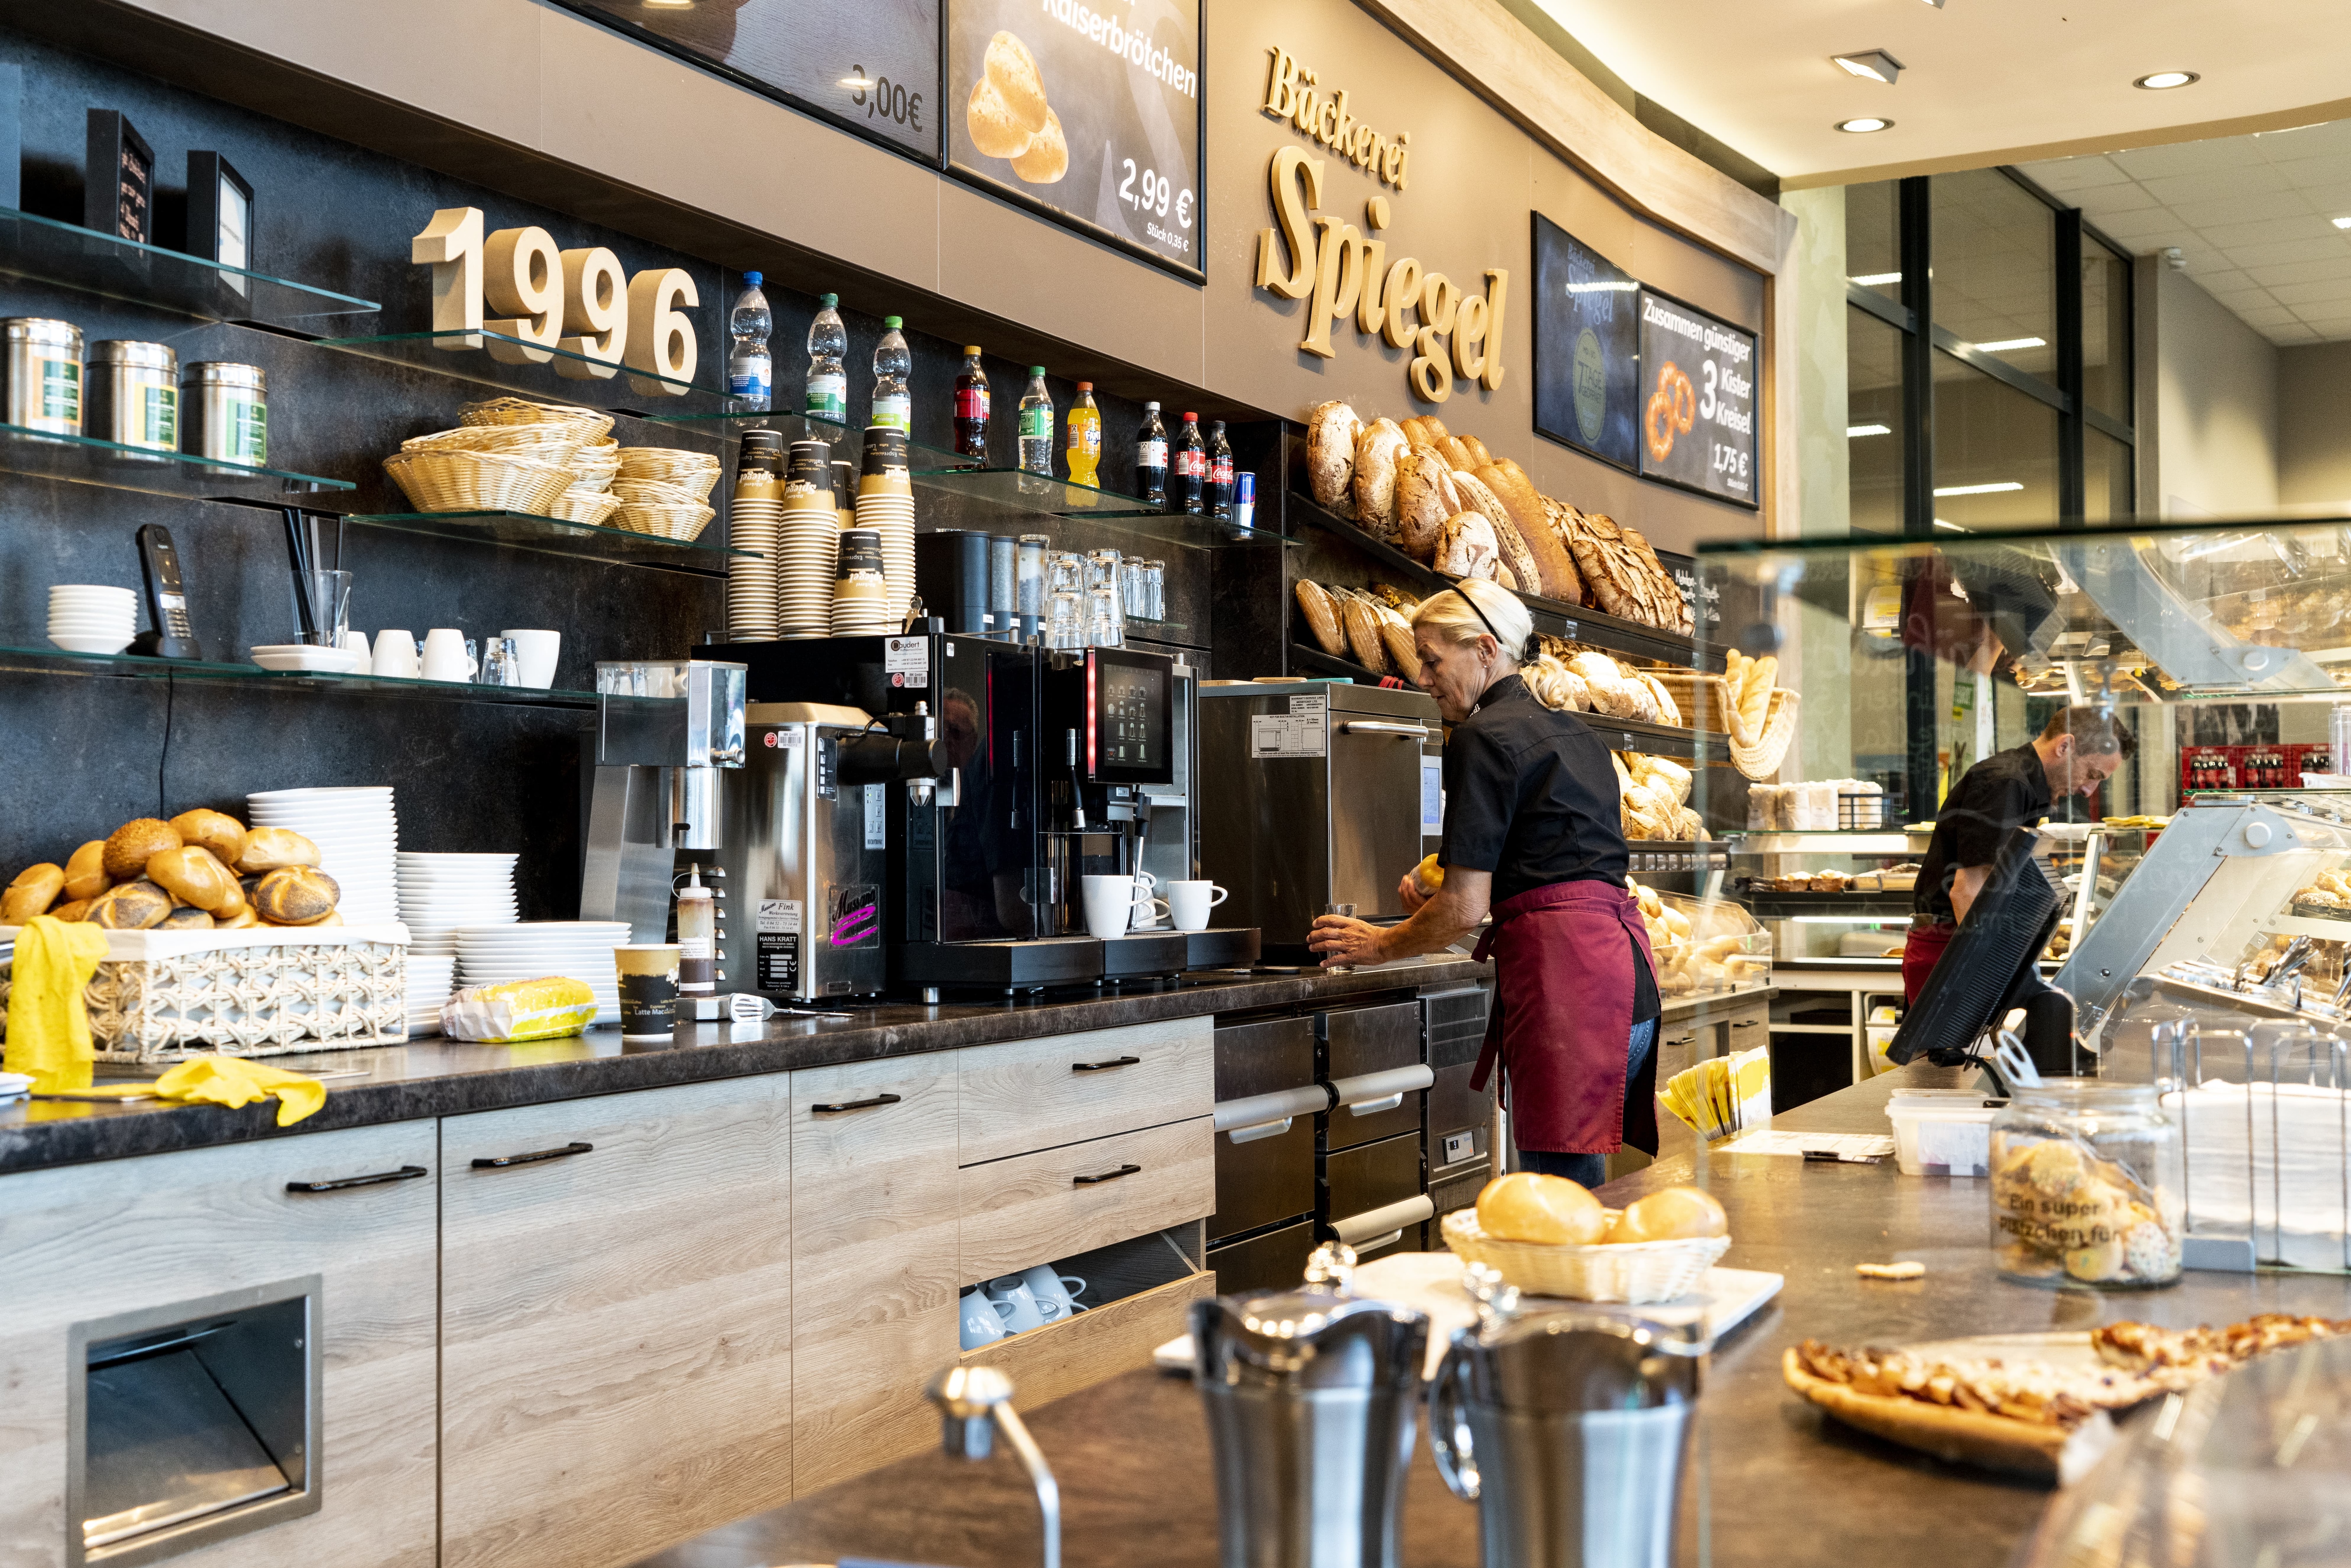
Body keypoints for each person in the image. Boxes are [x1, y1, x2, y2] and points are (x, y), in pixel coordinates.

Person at [1308, 580, 1658, 1188]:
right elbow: (1555, 870)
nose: (1422, 676)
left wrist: (1379, 945)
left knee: (1556, 1203)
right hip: (1628, 985)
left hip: (1568, 992)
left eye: (1432, 658)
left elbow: (1466, 905)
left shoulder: (1481, 738)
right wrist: (1444, 906)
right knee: (1585, 1196)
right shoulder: (1581, 734)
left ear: (1486, 649)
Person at [1903, 705, 2135, 1004]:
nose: (2089, 790)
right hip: (1949, 944)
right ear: (2064, 746)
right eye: (2092, 774)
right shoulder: (2005, 783)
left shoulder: (2025, 784)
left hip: (1958, 940)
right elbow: (1968, 891)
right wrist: (1995, 971)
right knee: (1939, 1051)